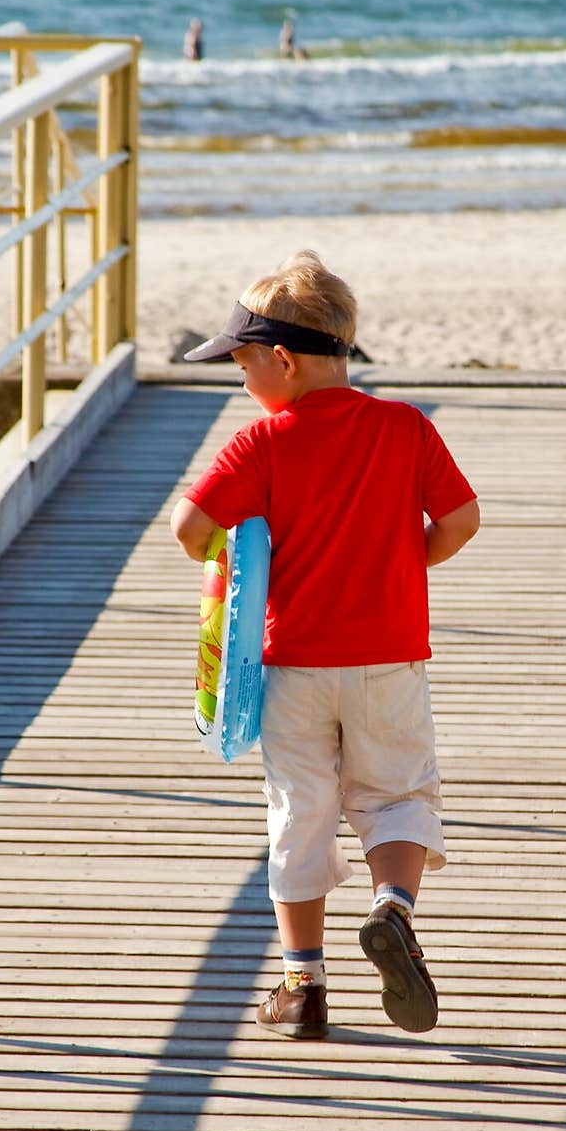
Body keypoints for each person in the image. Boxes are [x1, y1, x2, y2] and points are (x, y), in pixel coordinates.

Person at [170, 250, 480, 1040]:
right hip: (389, 658)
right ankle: (391, 909)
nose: (241, 381)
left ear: (283, 360)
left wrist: (236, 563)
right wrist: (407, 555)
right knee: (397, 797)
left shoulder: (262, 444)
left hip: (293, 666)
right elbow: (461, 520)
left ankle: (302, 987)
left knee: (299, 814)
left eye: (242, 364)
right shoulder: (405, 427)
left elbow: (189, 528)